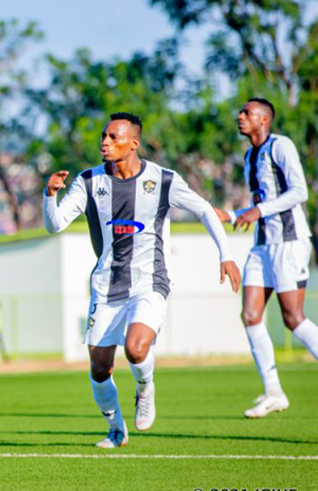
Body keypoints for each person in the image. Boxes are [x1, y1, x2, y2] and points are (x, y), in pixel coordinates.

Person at [43, 112, 240, 449]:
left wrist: (226, 254)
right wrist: (49, 195)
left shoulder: (163, 179)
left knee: (135, 349)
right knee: (99, 368)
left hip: (150, 281)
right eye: (103, 137)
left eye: (113, 137)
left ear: (133, 143)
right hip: (106, 286)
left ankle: (145, 387)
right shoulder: (89, 181)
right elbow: (55, 224)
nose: (104, 143)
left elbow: (205, 210)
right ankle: (116, 428)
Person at [213, 98, 318, 418]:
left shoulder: (280, 145)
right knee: (250, 315)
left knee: (292, 317)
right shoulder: (249, 155)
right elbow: (260, 203)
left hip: (289, 242)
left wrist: (258, 210)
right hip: (262, 245)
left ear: (264, 120)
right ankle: (274, 391)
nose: (240, 116)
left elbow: (300, 192)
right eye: (241, 112)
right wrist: (230, 214)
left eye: (247, 113)